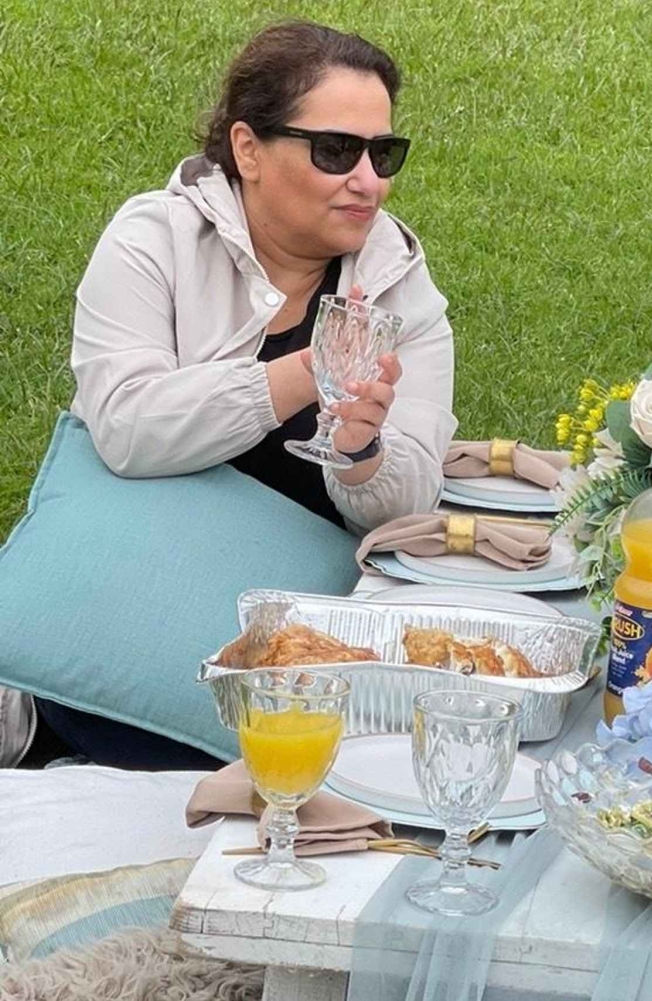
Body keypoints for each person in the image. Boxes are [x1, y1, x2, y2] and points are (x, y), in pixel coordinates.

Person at [35, 20, 458, 769]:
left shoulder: (401, 283)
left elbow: (409, 505)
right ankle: (48, 736)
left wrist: (362, 454)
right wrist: (305, 371)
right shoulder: (152, 242)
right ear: (248, 148)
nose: (370, 181)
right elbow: (128, 430)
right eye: (337, 151)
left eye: (383, 153)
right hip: (121, 640)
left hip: (294, 681)